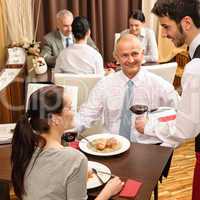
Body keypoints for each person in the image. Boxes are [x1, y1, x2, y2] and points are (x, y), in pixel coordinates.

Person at [134, 0, 200, 199]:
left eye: (166, 26)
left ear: (186, 22)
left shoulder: (196, 67)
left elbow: (185, 129)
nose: (163, 33)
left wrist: (148, 127)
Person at [11, 85, 124, 200]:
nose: (74, 113)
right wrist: (108, 191)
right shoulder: (75, 159)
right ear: (54, 119)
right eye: (70, 108)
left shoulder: (25, 148)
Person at [76, 34, 179, 146]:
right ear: (116, 58)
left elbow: (179, 116)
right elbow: (86, 115)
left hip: (148, 147)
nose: (131, 60)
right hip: (111, 146)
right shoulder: (104, 85)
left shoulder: (159, 85)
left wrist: (165, 146)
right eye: (125, 55)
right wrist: (68, 130)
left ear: (142, 53)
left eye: (135, 54)